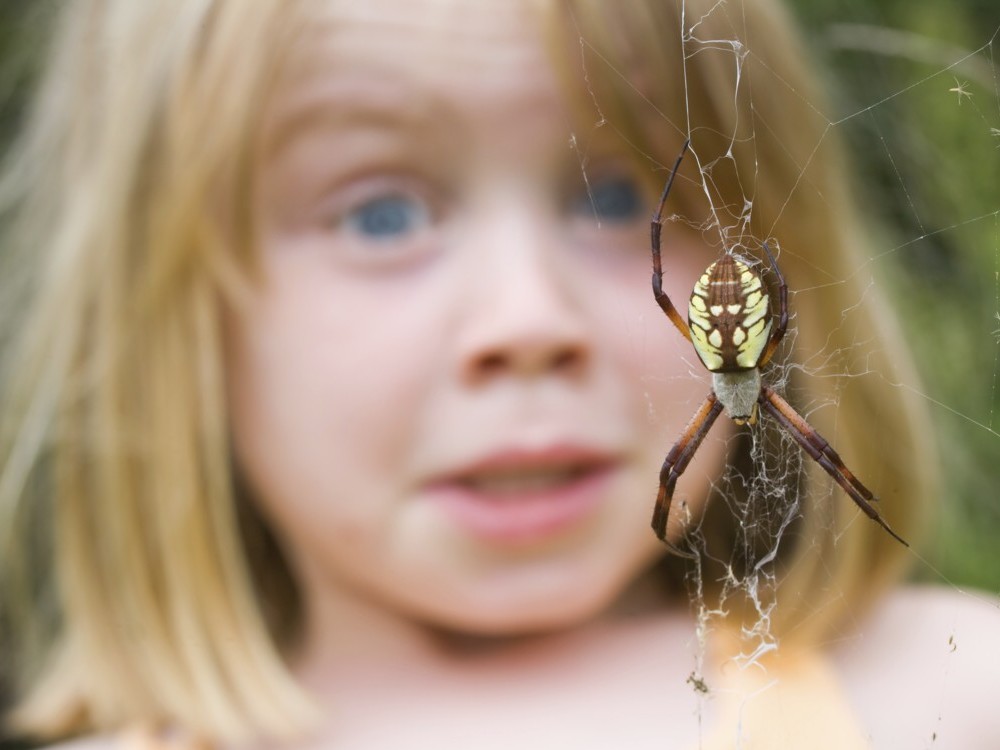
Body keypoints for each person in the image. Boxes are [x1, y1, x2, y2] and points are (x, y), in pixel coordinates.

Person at [1, 0, 998, 748]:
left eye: (613, 198)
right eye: (380, 215)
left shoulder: (950, 686)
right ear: (174, 330)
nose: (528, 323)